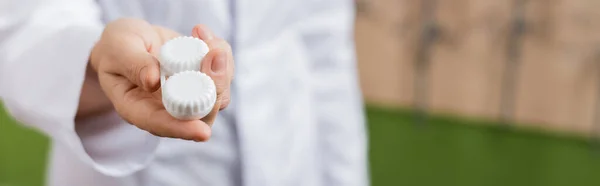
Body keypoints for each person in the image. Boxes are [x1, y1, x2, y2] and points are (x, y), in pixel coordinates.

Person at [0, 0, 368, 185]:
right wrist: (97, 58)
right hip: (132, 167)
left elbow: (326, 44)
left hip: (290, 152)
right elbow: (26, 26)